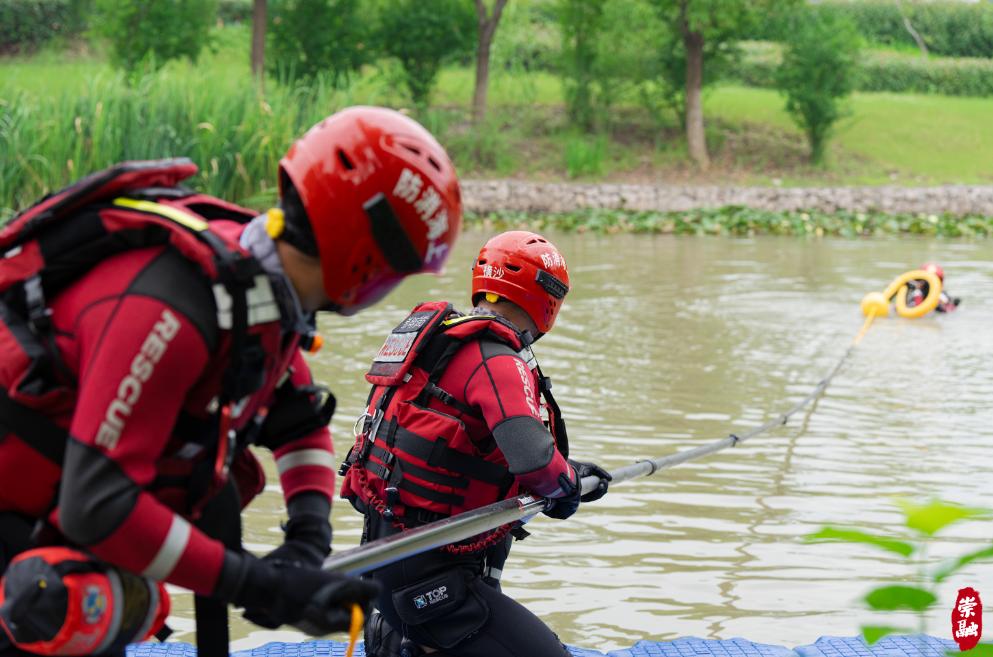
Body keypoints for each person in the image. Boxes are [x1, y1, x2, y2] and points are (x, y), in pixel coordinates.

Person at [0, 106, 462, 657]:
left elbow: (300, 421)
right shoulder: (177, 304)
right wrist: (257, 584)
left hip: (53, 532)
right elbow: (97, 505)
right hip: (34, 537)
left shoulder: (260, 289)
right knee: (77, 603)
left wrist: (307, 539)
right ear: (365, 257)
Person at [339, 230, 613, 657]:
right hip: (429, 584)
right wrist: (569, 486)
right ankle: (408, 641)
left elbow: (467, 453)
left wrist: (568, 469)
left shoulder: (435, 342)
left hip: (383, 562)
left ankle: (403, 638)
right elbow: (536, 463)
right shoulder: (497, 358)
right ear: (547, 298)